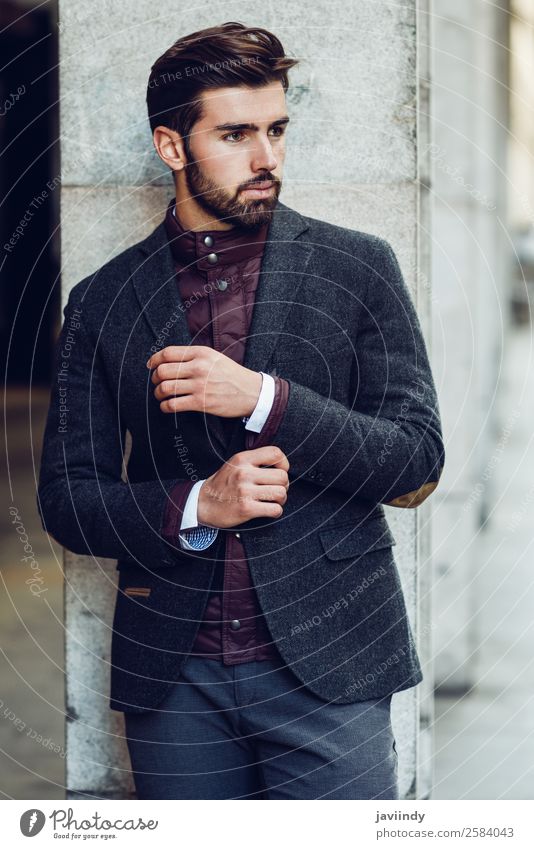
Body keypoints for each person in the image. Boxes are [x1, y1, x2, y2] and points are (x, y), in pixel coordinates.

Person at [37, 21, 445, 800]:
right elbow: (65, 502)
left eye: (277, 130)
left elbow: (416, 461)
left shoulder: (358, 268)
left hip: (333, 665)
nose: (268, 159)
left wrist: (264, 398)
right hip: (174, 679)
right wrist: (199, 502)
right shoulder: (103, 302)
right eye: (235, 134)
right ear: (172, 146)